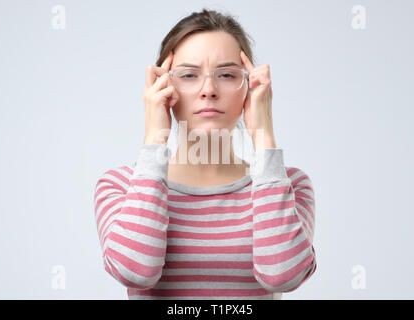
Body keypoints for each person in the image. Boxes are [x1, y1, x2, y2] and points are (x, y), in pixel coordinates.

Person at [93, 8, 317, 300]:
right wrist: (154, 137)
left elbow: (283, 275)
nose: (208, 89)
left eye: (226, 74)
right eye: (188, 75)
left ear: (249, 86)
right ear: (163, 86)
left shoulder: (288, 183)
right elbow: (135, 270)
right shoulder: (121, 185)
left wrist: (264, 137)